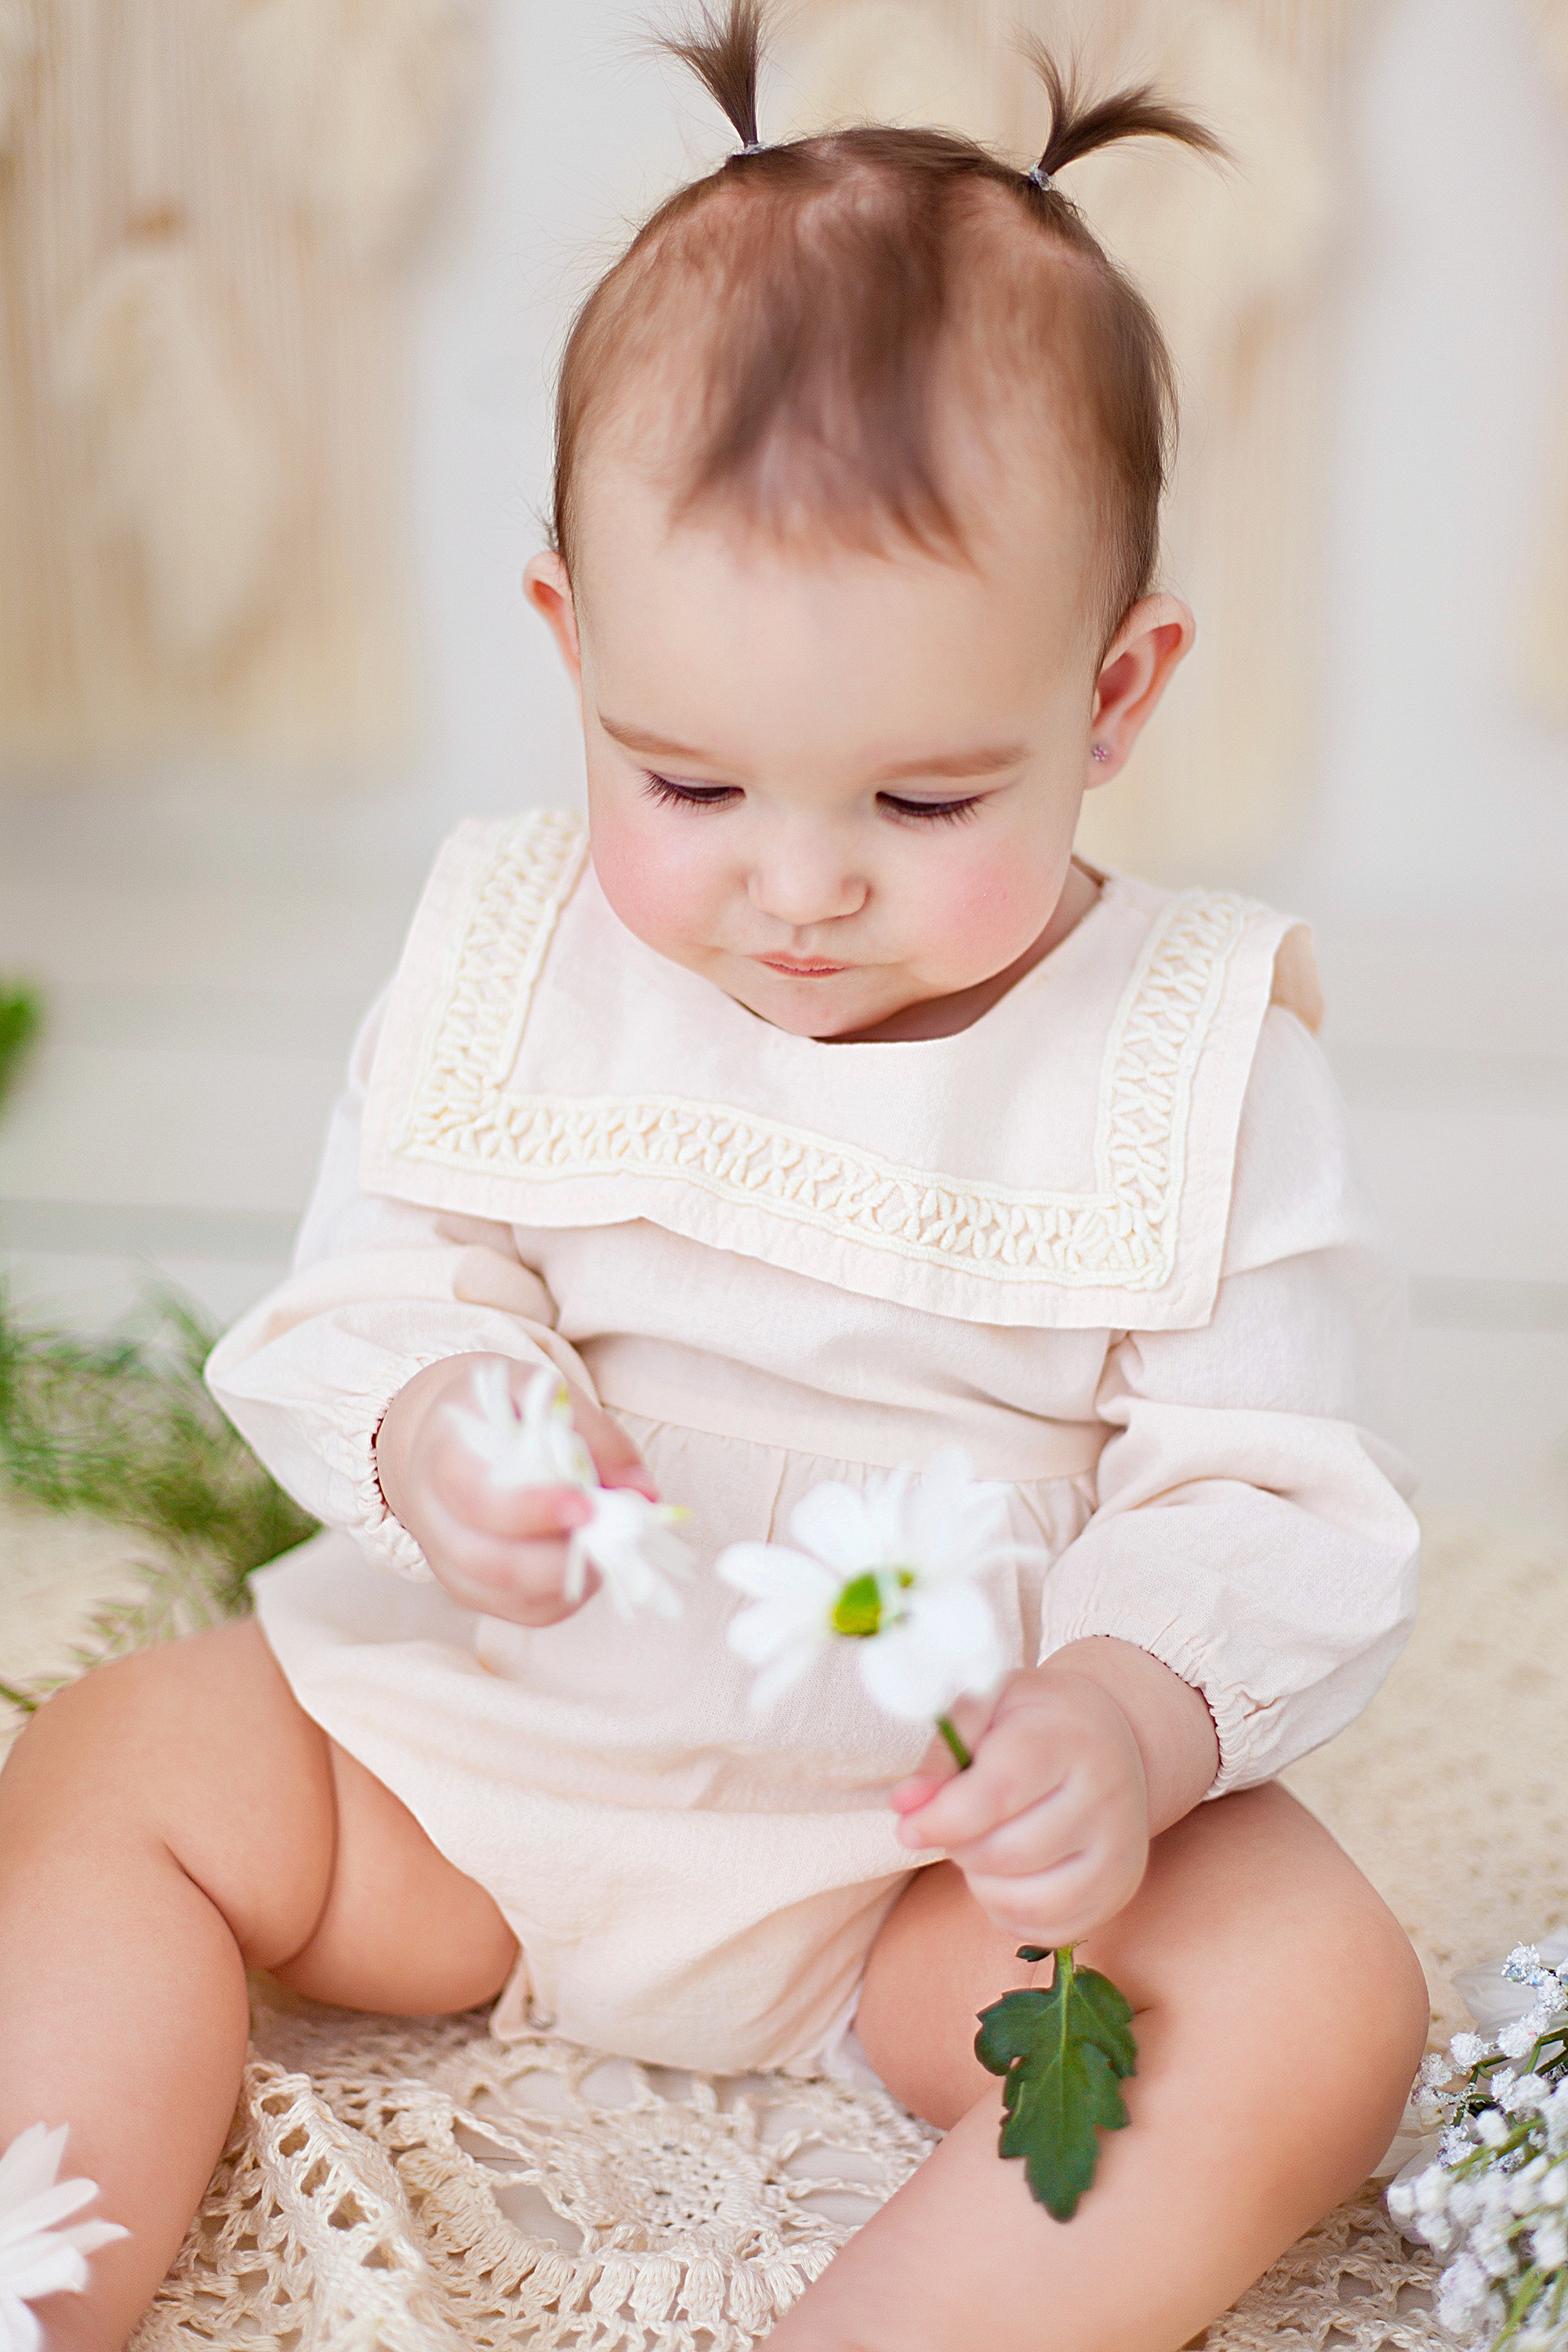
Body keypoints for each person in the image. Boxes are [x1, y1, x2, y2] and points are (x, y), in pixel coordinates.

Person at [0, 6, 1431, 2345]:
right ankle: (35, 2269)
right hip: (466, 1773)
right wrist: (434, 1424)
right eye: (684, 782)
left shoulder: (1190, 1056)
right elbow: (374, 1285)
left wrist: (1131, 1719)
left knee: (1311, 1988)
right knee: (114, 1758)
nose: (797, 889)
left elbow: (1274, 1486)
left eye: (924, 801)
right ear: (572, 647)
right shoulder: (506, 951)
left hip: (916, 1878)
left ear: (1121, 692)